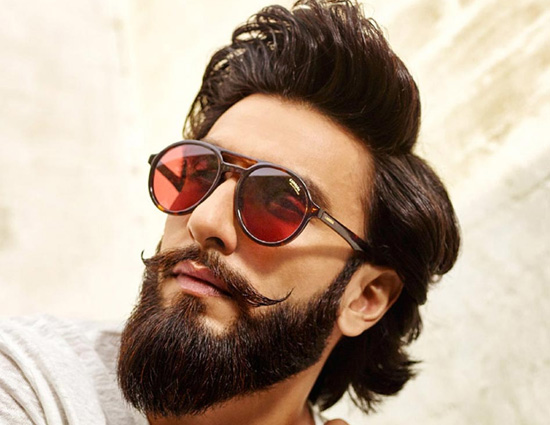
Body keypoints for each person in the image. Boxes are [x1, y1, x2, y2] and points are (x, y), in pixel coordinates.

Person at [0, 0, 460, 424]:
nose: (204, 220)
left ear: (366, 296)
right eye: (198, 173)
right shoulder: (29, 383)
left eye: (280, 202)